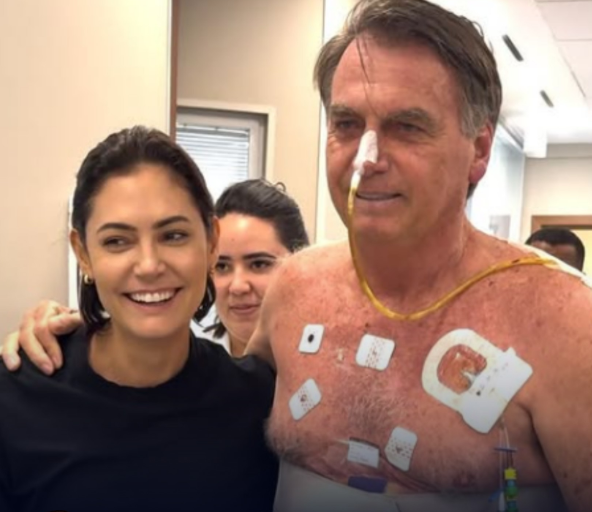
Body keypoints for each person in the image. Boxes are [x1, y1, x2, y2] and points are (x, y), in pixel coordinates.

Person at [2, 1, 592, 511]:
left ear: (480, 149)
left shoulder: (565, 326)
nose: (366, 158)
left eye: (407, 126)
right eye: (347, 123)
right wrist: (72, 327)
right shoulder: (299, 288)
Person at [0, 126, 278, 512]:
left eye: (173, 235)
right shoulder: (15, 400)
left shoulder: (260, 402)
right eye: (117, 241)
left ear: (212, 241)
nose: (149, 265)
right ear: (83, 254)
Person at [198, 179, 309, 356]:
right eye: (222, 266)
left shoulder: (332, 359)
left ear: (301, 263)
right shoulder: (184, 363)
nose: (238, 287)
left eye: (258, 264)